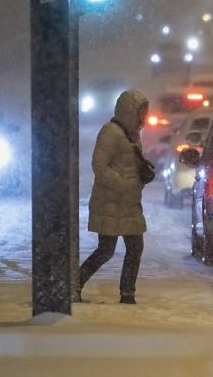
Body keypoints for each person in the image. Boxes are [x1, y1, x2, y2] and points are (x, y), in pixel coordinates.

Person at [79, 89, 149, 304]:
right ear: (129, 112)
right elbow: (99, 166)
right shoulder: (111, 132)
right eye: (140, 112)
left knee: (135, 247)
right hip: (111, 201)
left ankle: (127, 293)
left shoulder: (132, 135)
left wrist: (142, 175)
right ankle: (75, 284)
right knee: (106, 250)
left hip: (129, 203)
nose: (142, 118)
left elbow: (130, 164)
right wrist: (123, 185)